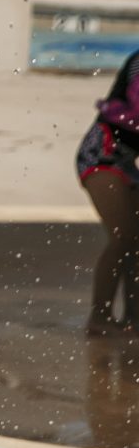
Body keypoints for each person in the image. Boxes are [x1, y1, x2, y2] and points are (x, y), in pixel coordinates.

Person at [78, 48, 139, 335]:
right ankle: (99, 318)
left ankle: (133, 320)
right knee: (123, 237)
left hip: (125, 161)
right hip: (101, 155)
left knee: (136, 241)